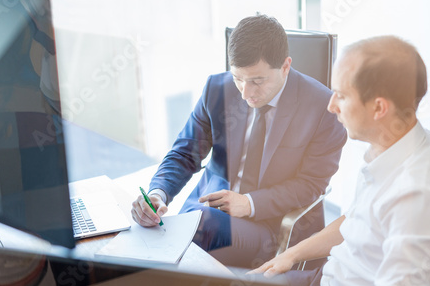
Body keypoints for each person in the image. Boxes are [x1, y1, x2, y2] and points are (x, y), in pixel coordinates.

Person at [250, 36, 430, 286]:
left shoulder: (417, 195)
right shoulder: (388, 149)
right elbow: (355, 221)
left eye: (343, 96)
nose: (331, 105)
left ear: (379, 108)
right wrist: (291, 255)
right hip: (326, 281)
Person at [131, 14, 347, 268]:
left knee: (183, 242)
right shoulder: (217, 88)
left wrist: (250, 204)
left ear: (286, 67)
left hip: (271, 225)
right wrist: (158, 194)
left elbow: (310, 185)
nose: (245, 93)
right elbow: (185, 153)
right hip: (206, 212)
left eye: (257, 81)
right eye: (238, 78)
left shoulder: (324, 108)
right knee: (157, 235)